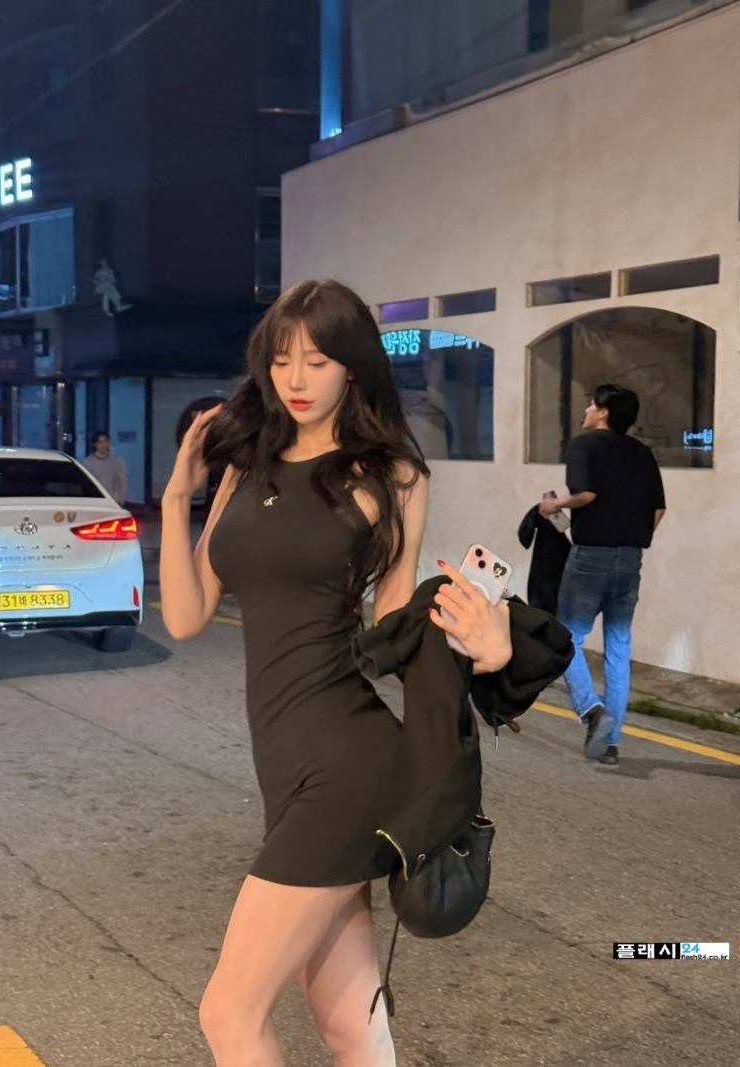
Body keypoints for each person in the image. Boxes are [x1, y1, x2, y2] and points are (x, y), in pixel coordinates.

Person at [159, 279, 513, 1065]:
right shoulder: (245, 464)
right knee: (349, 1024)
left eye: (317, 361)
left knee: (229, 1013)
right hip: (284, 767)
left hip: (347, 764)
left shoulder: (391, 474)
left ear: (352, 366)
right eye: (281, 359)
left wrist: (486, 643)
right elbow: (185, 616)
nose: (296, 378)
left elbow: (396, 622)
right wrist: (180, 496)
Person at [539, 384, 665, 766]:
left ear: (604, 412)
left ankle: (591, 709)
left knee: (566, 637)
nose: (587, 410)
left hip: (591, 556)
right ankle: (610, 745)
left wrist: (553, 505)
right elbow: (658, 510)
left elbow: (587, 494)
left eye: (591, 405)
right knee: (618, 647)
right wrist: (630, 537)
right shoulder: (643, 452)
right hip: (630, 558)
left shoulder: (584, 445)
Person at [83, 432, 128, 504]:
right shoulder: (88, 462)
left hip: (114, 500)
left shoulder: (117, 461)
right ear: (96, 444)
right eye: (100, 442)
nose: (103, 445)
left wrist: (122, 498)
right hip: (96, 500)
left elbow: (122, 480)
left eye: (105, 442)